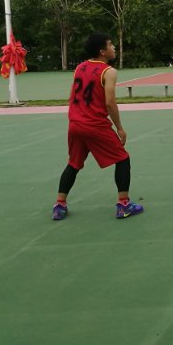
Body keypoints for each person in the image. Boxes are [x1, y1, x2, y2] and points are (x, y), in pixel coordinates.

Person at [52, 33, 143, 221]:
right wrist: (119, 128)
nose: (114, 47)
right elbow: (110, 102)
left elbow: (72, 96)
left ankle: (59, 205)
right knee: (122, 159)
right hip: (94, 125)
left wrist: (76, 117)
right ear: (102, 51)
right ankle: (123, 205)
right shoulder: (108, 71)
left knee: (73, 163)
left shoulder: (79, 67)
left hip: (75, 123)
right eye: (111, 45)